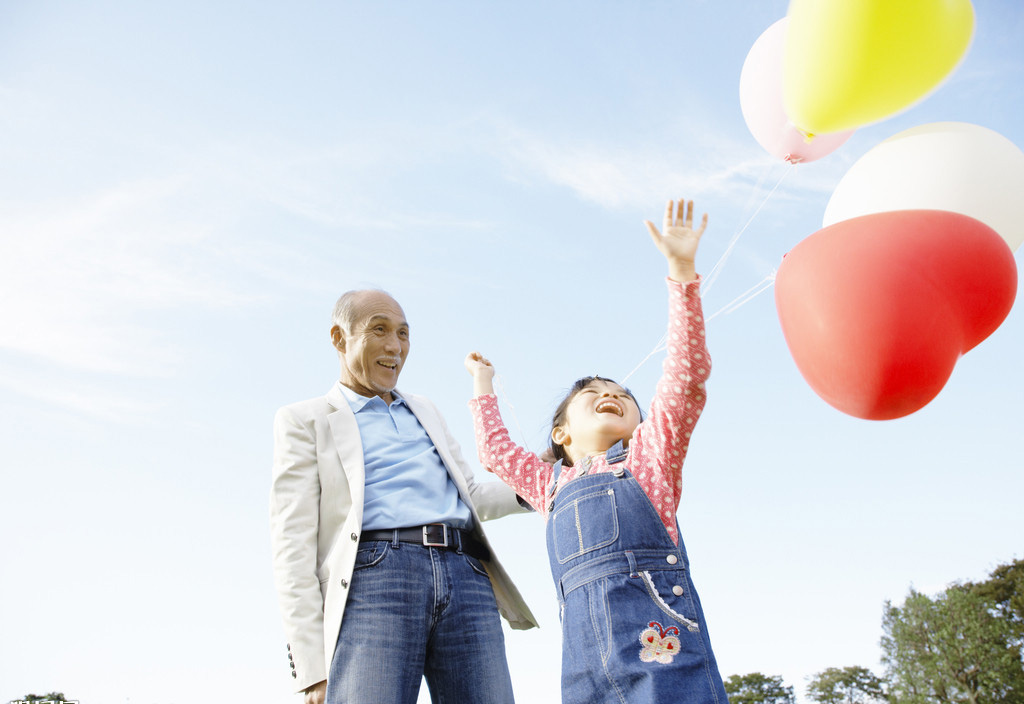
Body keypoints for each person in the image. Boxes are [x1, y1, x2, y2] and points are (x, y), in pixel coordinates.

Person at [464, 198, 729, 704]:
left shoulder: (650, 460)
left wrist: (681, 275)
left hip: (661, 645)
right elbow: (496, 452)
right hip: (584, 663)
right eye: (593, 394)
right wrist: (483, 385)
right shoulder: (548, 485)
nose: (611, 394)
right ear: (560, 434)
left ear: (640, 424)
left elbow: (685, 377)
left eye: (624, 396)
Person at [270, 288, 537, 704]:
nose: (394, 346)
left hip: (466, 573)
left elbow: (472, 496)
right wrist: (311, 667)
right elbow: (292, 546)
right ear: (340, 338)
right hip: (377, 576)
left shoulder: (425, 409)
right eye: (379, 330)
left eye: (403, 334)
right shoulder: (305, 420)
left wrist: (546, 475)